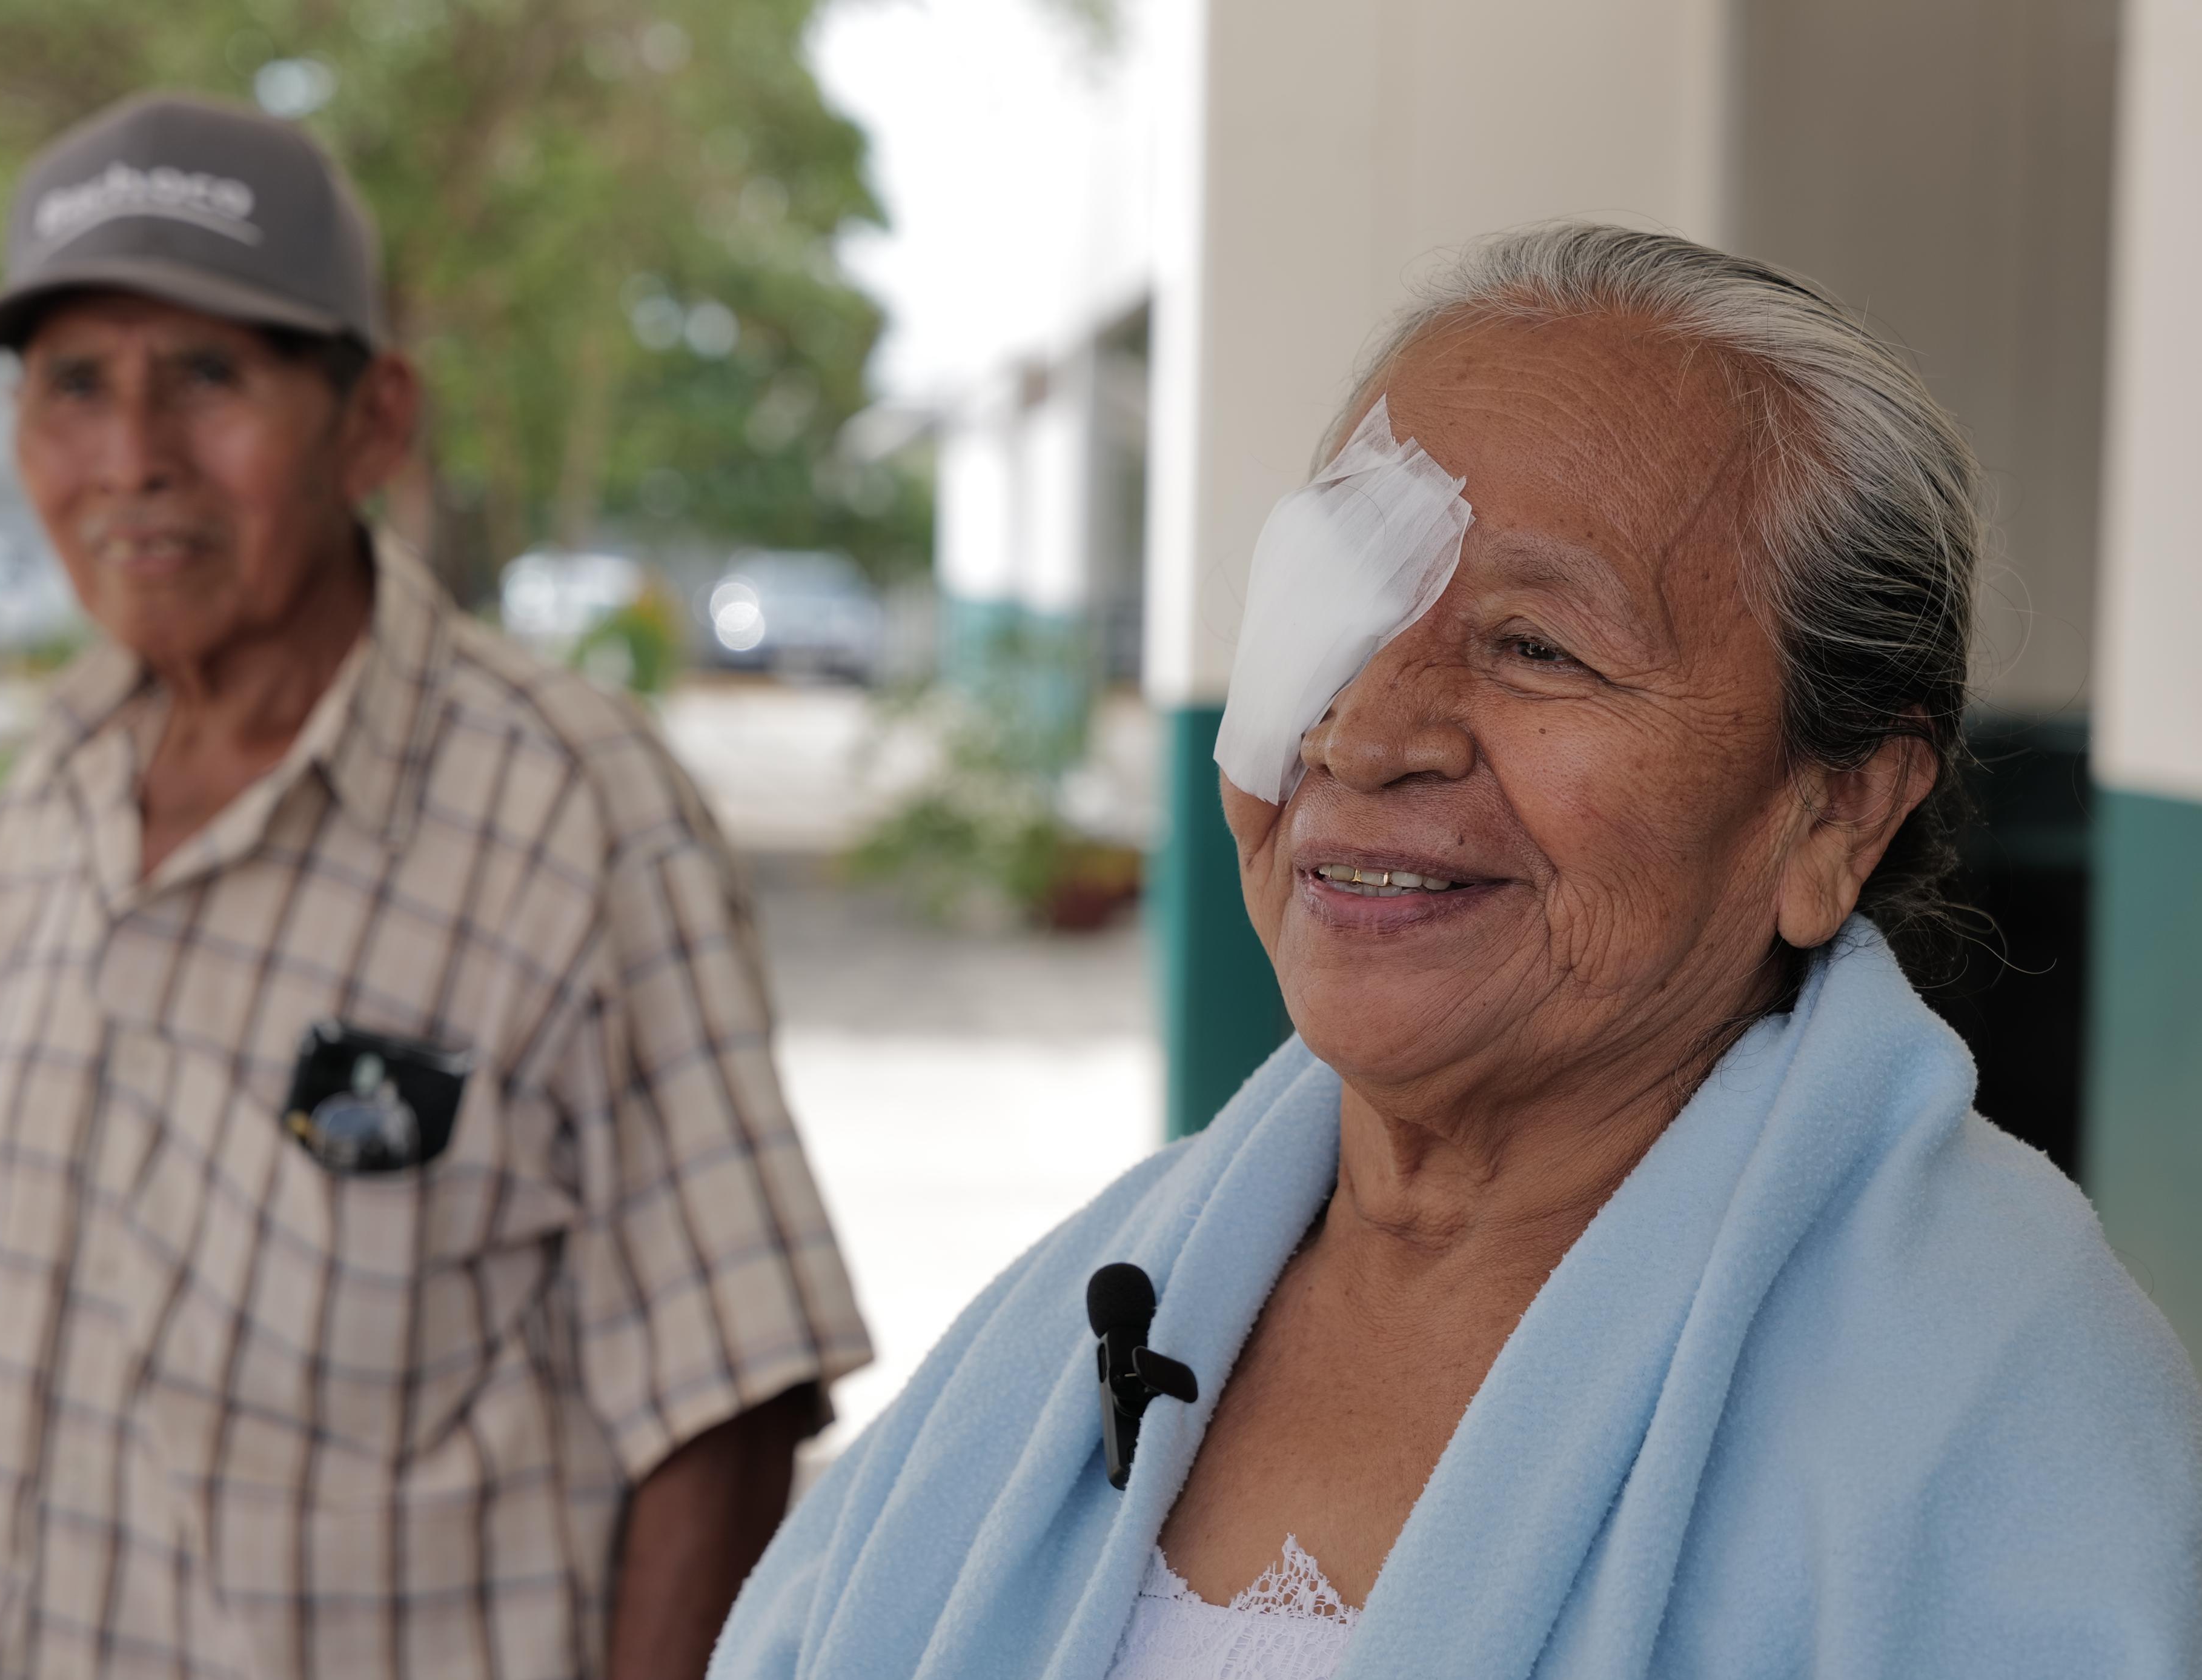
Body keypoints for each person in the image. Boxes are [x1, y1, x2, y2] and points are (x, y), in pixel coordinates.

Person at [711, 225, 2202, 1679]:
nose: (1363, 730)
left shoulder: (2002, 1419)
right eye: (1341, 610)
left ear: (1835, 812)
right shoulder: (1088, 1307)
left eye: (1536, 646)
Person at [0, 93, 871, 1680]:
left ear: (374, 418)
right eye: (75, 384)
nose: (132, 457)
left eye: (209, 375)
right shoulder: (31, 815)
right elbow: (23, 1407)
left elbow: (726, 1407)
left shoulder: (570, 806)